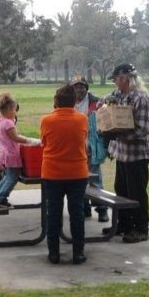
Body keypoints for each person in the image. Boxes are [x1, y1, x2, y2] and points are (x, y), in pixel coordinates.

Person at [103, 63, 149, 243]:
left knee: (136, 192)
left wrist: (119, 133)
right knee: (121, 189)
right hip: (122, 153)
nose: (115, 83)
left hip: (137, 154)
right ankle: (123, 224)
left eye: (116, 79)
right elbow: (105, 106)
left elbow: (144, 129)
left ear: (124, 79)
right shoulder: (117, 95)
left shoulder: (141, 99)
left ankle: (141, 229)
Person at [41, 84, 89, 264]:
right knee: (77, 212)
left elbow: (44, 143)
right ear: (75, 101)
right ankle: (78, 252)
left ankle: (53, 252)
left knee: (53, 212)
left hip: (52, 172)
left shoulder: (46, 120)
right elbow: (83, 140)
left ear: (56, 102)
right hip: (77, 172)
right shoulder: (82, 119)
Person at [0, 93, 40, 208]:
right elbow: (15, 138)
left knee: (7, 176)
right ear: (9, 109)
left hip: (4, 153)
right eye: (14, 110)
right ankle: (1, 198)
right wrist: (32, 140)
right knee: (12, 178)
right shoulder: (8, 123)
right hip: (12, 155)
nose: (15, 112)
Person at [71, 76, 109, 222]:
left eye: (81, 87)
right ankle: (84, 208)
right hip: (75, 147)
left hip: (92, 146)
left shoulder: (95, 102)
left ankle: (102, 210)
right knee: (79, 179)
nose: (79, 90)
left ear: (86, 88)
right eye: (75, 87)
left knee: (95, 179)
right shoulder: (67, 102)